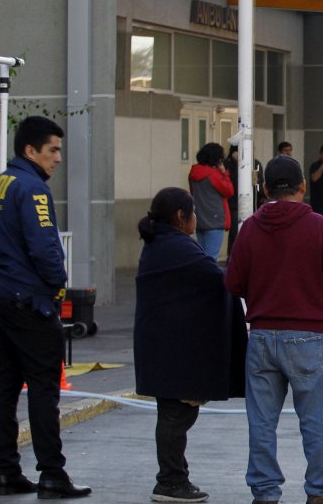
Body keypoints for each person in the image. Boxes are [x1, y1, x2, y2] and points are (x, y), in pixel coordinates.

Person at [224, 155, 323, 504]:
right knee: (317, 422)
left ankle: (265, 493)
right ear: (302, 187)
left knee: (262, 423)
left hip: (263, 336)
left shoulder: (250, 227)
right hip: (310, 337)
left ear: (265, 189)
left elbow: (233, 282)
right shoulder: (317, 226)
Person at [0, 116, 92, 499]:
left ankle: (7, 472)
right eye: (53, 150)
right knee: (44, 388)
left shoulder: (0, 183)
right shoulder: (33, 190)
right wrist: (57, 285)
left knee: (5, 386)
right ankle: (52, 474)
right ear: (31, 150)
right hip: (28, 301)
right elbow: (45, 247)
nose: (58, 158)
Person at [135, 187, 247, 503]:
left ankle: (175, 476)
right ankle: (170, 481)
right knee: (174, 416)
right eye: (193, 211)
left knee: (175, 414)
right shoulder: (177, 248)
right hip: (172, 349)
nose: (196, 218)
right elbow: (217, 280)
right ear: (180, 217)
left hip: (165, 346)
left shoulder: (163, 242)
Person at [188, 142, 234, 261]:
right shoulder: (214, 175)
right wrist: (224, 174)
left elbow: (193, 192)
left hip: (200, 218)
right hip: (215, 219)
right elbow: (229, 191)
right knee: (211, 258)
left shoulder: (193, 172)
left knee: (202, 256)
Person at [224, 145, 266, 257]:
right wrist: (237, 163)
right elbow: (230, 182)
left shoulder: (255, 163)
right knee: (235, 233)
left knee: (252, 232)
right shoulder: (228, 164)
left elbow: (259, 181)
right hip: (234, 204)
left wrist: (261, 197)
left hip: (253, 203)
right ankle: (232, 257)